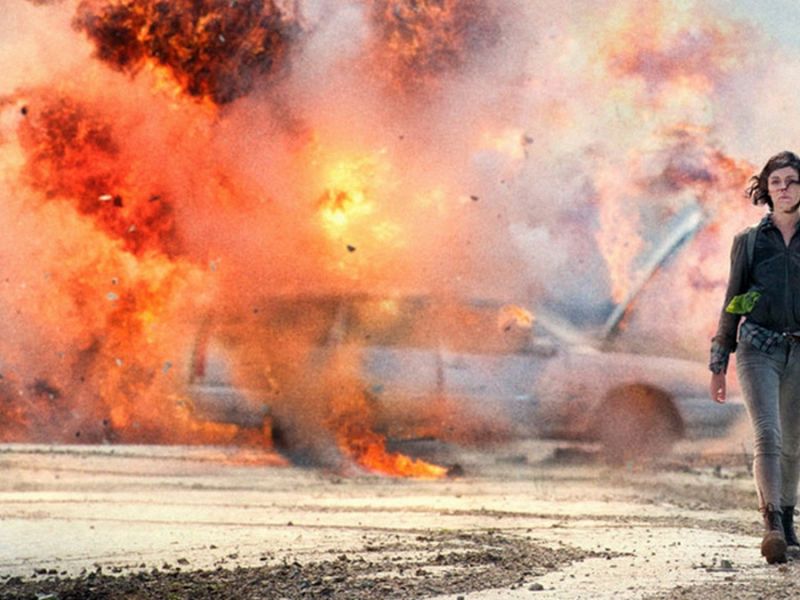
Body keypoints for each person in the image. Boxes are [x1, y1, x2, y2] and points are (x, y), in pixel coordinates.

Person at [710, 150, 800, 565]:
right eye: (776, 181)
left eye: (792, 181)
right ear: (766, 188)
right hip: (757, 347)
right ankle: (772, 527)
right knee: (768, 434)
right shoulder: (748, 242)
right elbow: (733, 300)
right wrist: (719, 363)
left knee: (794, 442)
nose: (784, 188)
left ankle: (788, 524)